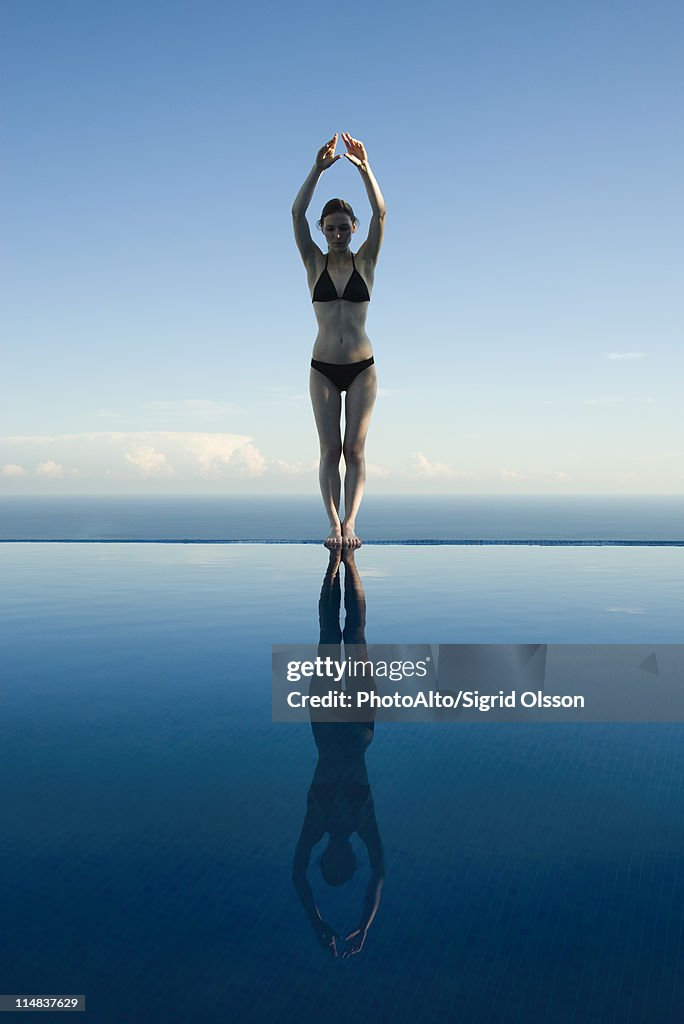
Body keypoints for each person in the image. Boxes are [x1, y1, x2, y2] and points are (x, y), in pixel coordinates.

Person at [292, 133, 386, 549]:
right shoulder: (314, 263)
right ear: (323, 231)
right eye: (329, 228)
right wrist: (318, 168)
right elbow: (296, 213)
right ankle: (333, 525)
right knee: (330, 450)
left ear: (353, 229)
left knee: (356, 449)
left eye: (343, 228)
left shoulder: (366, 260)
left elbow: (381, 213)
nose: (336, 234)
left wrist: (365, 168)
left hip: (363, 367)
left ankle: (352, 523)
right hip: (323, 367)